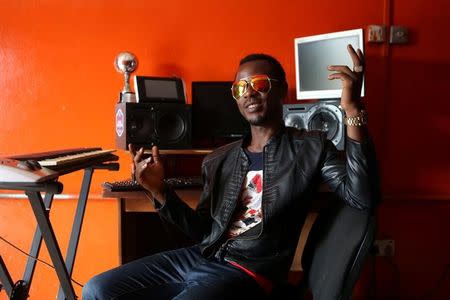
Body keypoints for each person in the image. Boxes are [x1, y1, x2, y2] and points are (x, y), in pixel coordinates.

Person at [83, 45, 378, 299]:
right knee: (97, 289)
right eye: (240, 88)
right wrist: (160, 191)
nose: (249, 93)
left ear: (281, 91)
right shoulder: (218, 160)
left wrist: (353, 110)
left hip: (251, 271)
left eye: (259, 84)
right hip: (204, 256)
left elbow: (362, 196)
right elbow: (202, 231)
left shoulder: (310, 147)